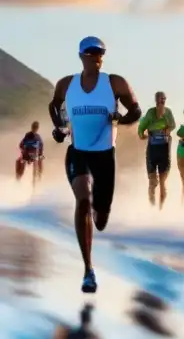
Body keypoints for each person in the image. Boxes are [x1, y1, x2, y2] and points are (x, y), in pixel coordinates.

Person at [48, 36, 141, 293]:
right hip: (78, 153)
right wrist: (60, 127)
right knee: (84, 199)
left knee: (100, 219)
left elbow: (136, 111)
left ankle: (96, 223)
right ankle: (88, 269)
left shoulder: (115, 83)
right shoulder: (67, 84)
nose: (97, 56)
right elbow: (54, 106)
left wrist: (120, 118)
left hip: (104, 157)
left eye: (101, 52)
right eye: (92, 52)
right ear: (81, 55)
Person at [138, 92, 176, 208]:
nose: (163, 101)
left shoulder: (168, 112)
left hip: (164, 149)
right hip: (152, 150)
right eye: (161, 99)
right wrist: (142, 135)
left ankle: (161, 210)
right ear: (156, 100)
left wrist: (168, 129)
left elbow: (173, 125)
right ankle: (152, 207)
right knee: (153, 182)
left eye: (164, 99)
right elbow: (141, 127)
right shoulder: (150, 113)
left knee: (163, 183)